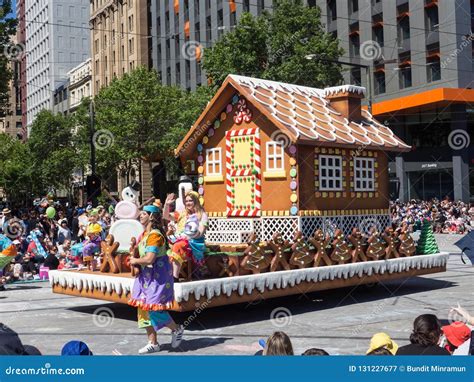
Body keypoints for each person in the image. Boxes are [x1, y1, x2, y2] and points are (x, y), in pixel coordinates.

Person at [128, 204, 184, 354]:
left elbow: (150, 259)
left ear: (152, 216)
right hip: (145, 279)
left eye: (144, 213)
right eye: (141, 213)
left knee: (154, 308)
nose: (141, 215)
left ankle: (176, 329)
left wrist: (135, 261)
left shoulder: (155, 236)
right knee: (143, 310)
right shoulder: (145, 235)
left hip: (157, 279)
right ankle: (153, 343)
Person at [164, 191, 208, 280]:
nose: (188, 203)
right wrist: (166, 204)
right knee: (163, 244)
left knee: (178, 245)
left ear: (196, 201)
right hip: (179, 238)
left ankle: (175, 277)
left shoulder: (202, 215)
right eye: (186, 201)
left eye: (190, 201)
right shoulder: (182, 213)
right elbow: (166, 216)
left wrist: (188, 235)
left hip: (194, 242)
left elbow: (201, 232)